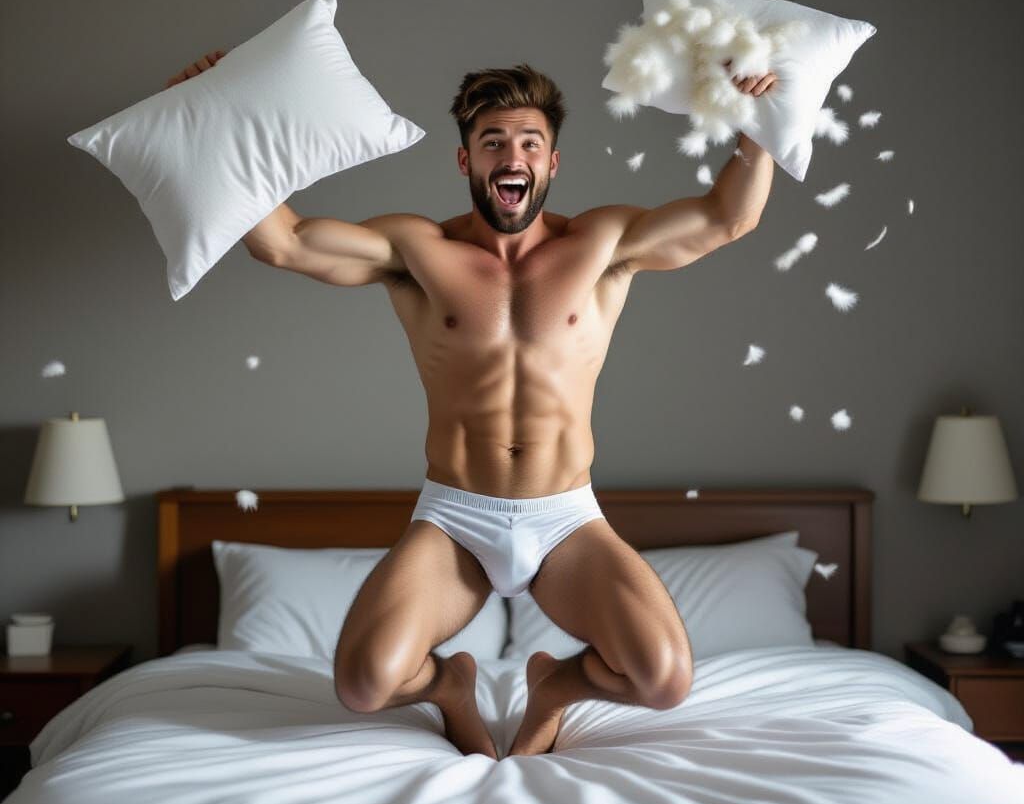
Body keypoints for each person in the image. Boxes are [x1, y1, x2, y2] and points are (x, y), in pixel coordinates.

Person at [166, 53, 778, 759]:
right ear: (466, 161)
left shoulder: (603, 244)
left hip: (564, 520)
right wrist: (213, 120)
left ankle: (556, 686)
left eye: (528, 143)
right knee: (364, 683)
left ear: (553, 163)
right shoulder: (418, 249)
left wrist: (758, 127)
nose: (510, 155)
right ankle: (450, 688)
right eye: (492, 142)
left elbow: (728, 217)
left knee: (665, 678)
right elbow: (286, 243)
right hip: (456, 517)